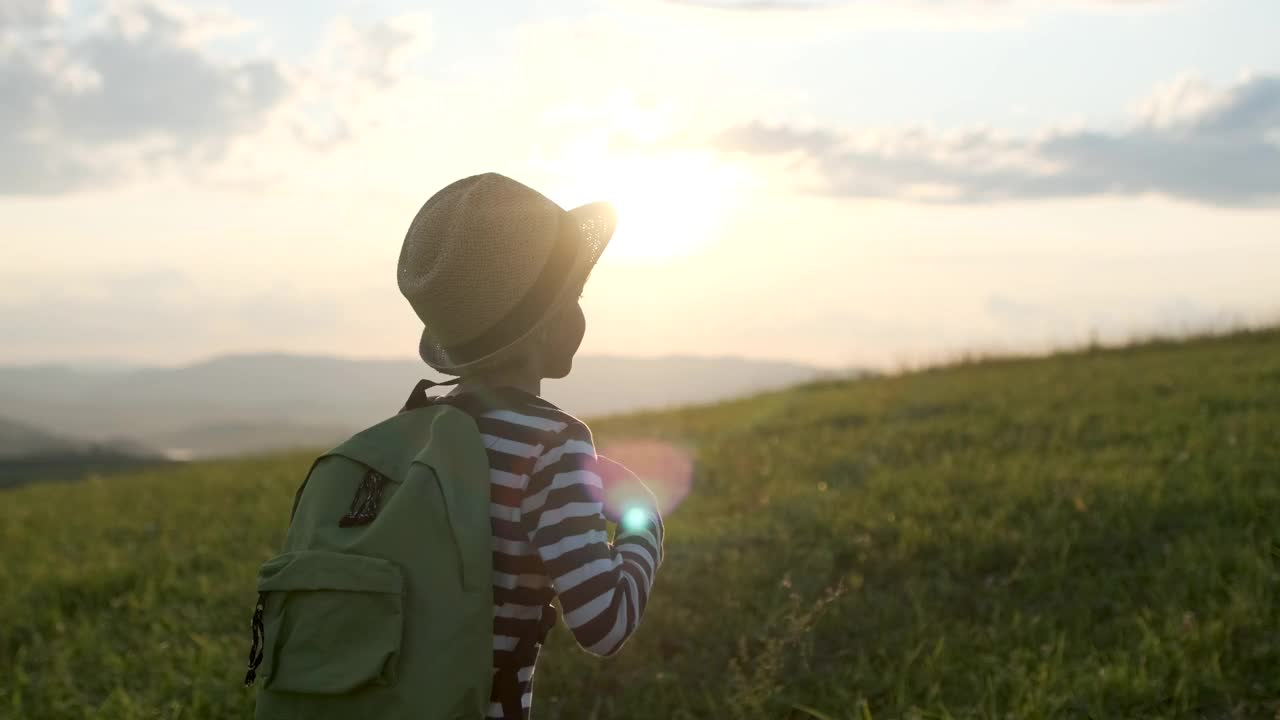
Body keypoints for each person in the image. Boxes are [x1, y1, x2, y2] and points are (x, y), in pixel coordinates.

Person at [397, 172, 666, 719]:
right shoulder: (553, 446)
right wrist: (643, 519)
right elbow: (603, 624)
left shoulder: (412, 427)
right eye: (576, 296)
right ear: (548, 327)